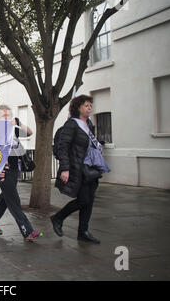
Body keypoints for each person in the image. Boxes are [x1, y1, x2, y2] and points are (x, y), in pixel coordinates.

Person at [50, 95, 110, 244]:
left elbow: (86, 144)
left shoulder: (88, 124)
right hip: (79, 168)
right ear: (78, 108)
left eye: (90, 105)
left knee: (89, 201)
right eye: (86, 105)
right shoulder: (72, 124)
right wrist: (65, 168)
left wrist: (99, 143)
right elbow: (63, 147)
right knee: (83, 200)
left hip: (92, 167)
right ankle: (58, 217)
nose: (89, 108)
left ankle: (83, 232)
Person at [0, 106, 43, 242]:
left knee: (5, 199)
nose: (7, 117)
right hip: (4, 172)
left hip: (15, 170)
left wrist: (18, 122)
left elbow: (29, 133)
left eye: (8, 115)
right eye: (3, 115)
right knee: (14, 202)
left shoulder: (13, 131)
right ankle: (27, 231)